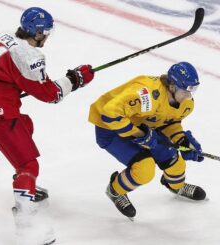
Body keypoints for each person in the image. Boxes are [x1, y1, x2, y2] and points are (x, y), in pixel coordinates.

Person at [0, 7, 94, 245]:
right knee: (28, 164)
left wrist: (3, 88)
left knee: (25, 124)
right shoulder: (29, 57)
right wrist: (76, 79)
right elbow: (49, 94)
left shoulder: (3, 35)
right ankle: (26, 224)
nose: (47, 37)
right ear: (38, 32)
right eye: (46, 32)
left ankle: (25, 186)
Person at [88, 61, 205, 220]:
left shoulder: (186, 103)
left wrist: (181, 140)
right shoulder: (147, 94)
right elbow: (109, 114)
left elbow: (169, 121)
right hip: (110, 129)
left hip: (142, 126)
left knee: (175, 163)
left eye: (193, 90)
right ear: (172, 86)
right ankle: (115, 191)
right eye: (186, 91)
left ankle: (176, 186)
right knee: (144, 170)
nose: (189, 96)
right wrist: (139, 134)